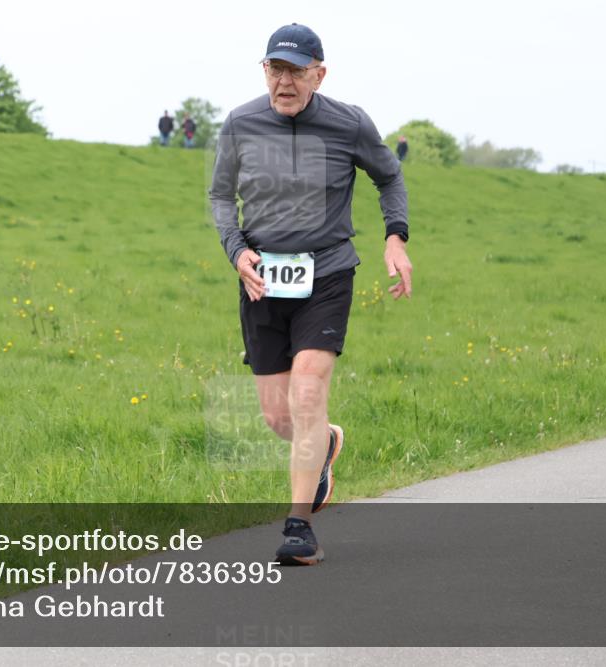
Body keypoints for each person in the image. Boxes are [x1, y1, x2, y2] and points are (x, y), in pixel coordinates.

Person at [209, 23, 412, 565]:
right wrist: (235, 250)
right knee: (280, 417)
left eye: (297, 71)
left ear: (319, 74)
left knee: (307, 395)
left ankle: (299, 529)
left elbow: (389, 178)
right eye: (276, 69)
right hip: (261, 281)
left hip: (326, 275)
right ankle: (326, 444)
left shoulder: (348, 123)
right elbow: (220, 196)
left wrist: (395, 237)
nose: (285, 81)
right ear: (265, 72)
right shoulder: (240, 123)